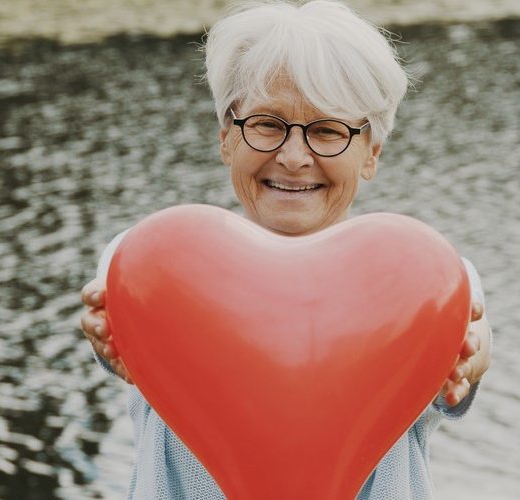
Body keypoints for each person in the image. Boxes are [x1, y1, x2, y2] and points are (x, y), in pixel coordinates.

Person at [79, 1, 493, 498]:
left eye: (327, 131)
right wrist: (115, 342)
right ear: (227, 139)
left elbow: (472, 346)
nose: (294, 157)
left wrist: (468, 359)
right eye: (267, 124)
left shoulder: (429, 276)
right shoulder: (153, 260)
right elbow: (120, 324)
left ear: (371, 154)